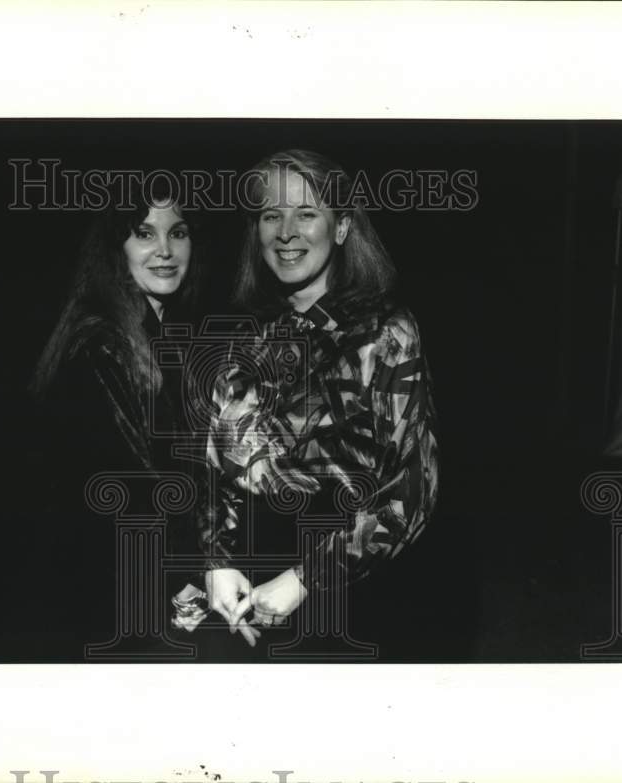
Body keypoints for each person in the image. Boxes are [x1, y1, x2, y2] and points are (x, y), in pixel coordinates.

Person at [196, 149, 440, 656]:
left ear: (344, 226)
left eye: (307, 213)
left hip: (350, 597)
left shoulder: (385, 333)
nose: (286, 232)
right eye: (270, 215)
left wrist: (304, 580)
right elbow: (218, 463)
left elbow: (412, 491)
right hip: (247, 592)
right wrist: (216, 561)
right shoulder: (247, 334)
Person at [28, 178, 206, 658]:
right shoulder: (102, 344)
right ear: (115, 247)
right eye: (144, 233)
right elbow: (133, 494)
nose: (166, 250)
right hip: (113, 616)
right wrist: (187, 583)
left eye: (180, 232)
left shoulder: (155, 337)